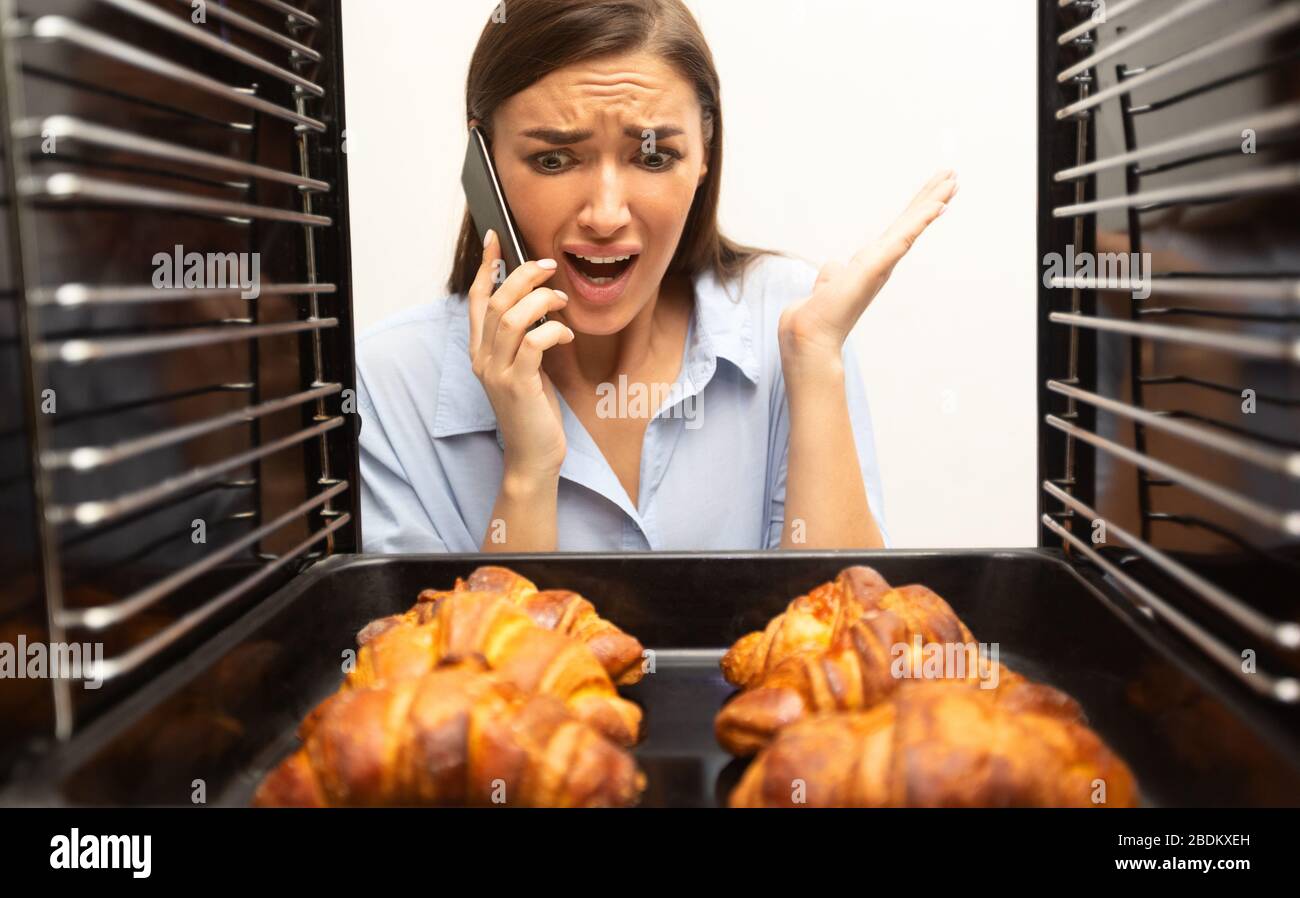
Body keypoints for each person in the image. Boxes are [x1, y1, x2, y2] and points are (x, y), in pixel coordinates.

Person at [356, 0, 957, 553]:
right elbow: (454, 672)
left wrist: (815, 361)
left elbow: (842, 647)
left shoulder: (795, 318)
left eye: (652, 156)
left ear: (704, 154)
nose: (606, 214)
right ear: (482, 166)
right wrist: (527, 471)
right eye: (554, 159)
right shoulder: (390, 382)